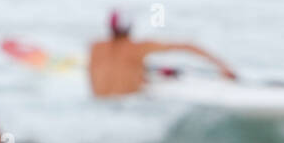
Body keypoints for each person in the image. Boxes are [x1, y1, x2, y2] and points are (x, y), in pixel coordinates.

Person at [88, 10, 237, 97]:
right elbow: (187, 46)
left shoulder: (95, 47)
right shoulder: (138, 48)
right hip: (129, 108)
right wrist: (223, 67)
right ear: (130, 27)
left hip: (99, 110)